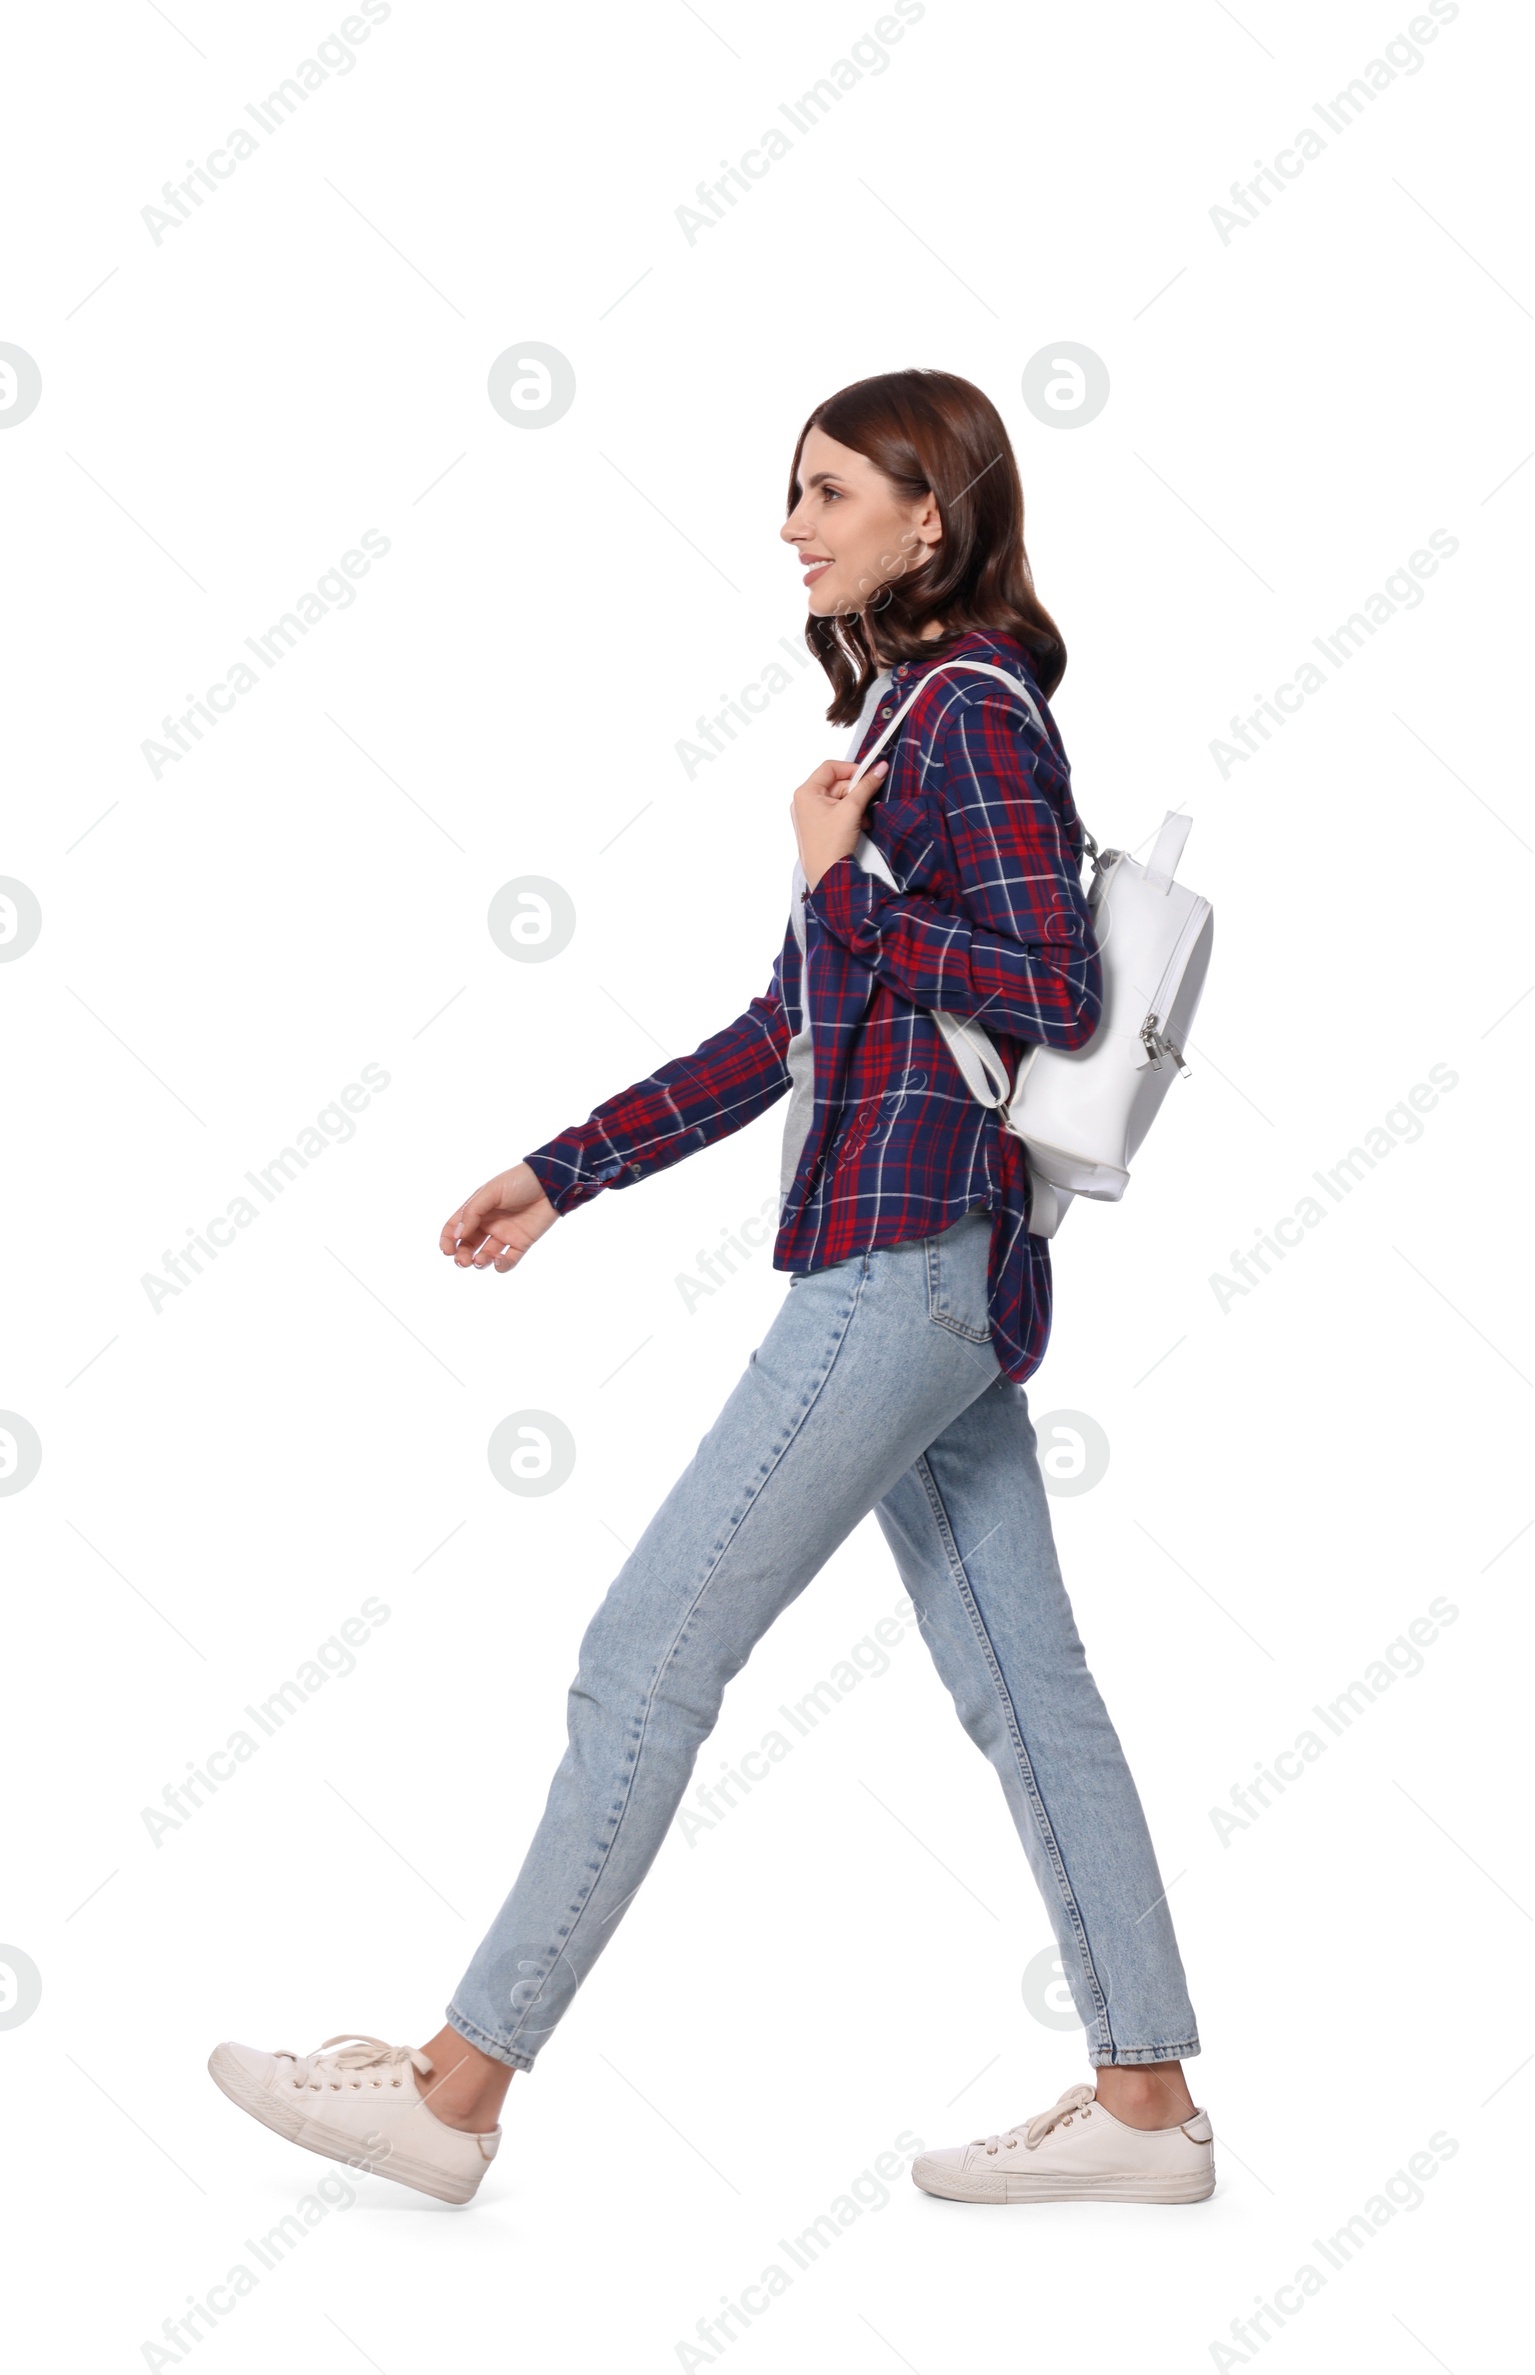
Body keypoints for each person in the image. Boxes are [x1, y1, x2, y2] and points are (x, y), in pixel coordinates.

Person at [209, 369, 1215, 2209]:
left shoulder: (972, 716)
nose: (793, 524)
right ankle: (1146, 2107)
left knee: (647, 1655)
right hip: (937, 1276)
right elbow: (788, 1031)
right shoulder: (903, 722)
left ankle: (453, 2091)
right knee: (1027, 1685)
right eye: (794, 491)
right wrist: (561, 1169)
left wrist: (844, 881)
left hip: (899, 1273)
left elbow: (1053, 981)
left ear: (935, 514)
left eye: (830, 491)